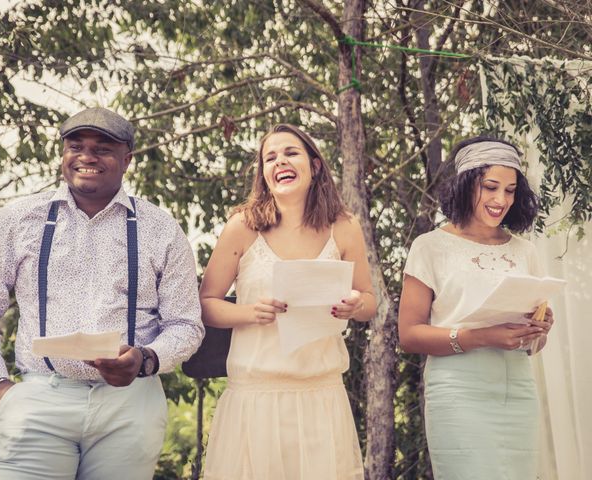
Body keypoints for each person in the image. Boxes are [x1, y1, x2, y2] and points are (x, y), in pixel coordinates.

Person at [0, 107, 204, 479]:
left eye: (103, 148)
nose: (87, 156)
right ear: (63, 154)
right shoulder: (19, 219)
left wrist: (146, 359)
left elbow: (186, 324)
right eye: (76, 146)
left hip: (130, 407)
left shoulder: (161, 229)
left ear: (127, 159)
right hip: (40, 398)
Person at [199, 124, 377, 480]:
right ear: (264, 174)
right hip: (256, 399)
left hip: (322, 397)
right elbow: (206, 303)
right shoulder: (242, 226)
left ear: (315, 166)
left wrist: (355, 305)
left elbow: (370, 301)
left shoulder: (344, 226)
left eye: (290, 152)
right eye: (270, 157)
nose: (280, 160)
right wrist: (250, 312)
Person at [398, 136, 556, 479]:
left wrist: (538, 331)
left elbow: (532, 346)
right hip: (458, 394)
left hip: (517, 392)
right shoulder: (430, 247)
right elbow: (409, 335)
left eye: (511, 190)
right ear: (467, 184)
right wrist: (482, 336)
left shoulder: (525, 251)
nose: (501, 200)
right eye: (490, 187)